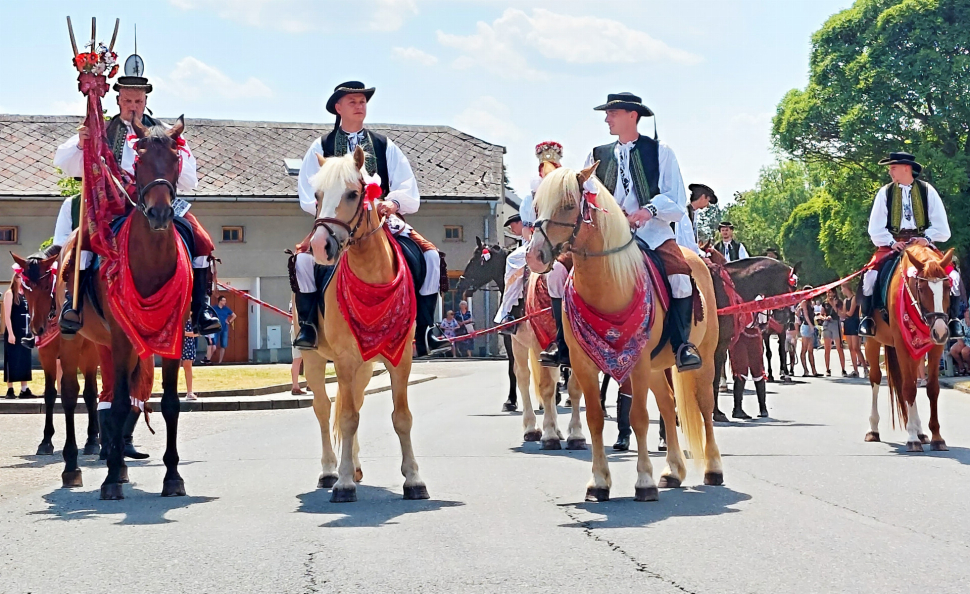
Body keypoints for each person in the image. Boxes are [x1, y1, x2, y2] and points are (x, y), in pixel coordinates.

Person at [52, 72, 222, 338]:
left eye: (138, 101)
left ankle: (201, 308)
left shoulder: (166, 132)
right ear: (118, 100)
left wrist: (173, 157)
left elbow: (191, 180)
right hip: (114, 204)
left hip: (159, 200)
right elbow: (63, 163)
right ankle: (73, 305)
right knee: (83, 238)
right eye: (128, 100)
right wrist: (81, 143)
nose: (133, 106)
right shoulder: (103, 130)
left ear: (145, 101)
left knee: (202, 238)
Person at [293, 81, 449, 356]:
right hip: (337, 223)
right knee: (303, 260)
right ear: (338, 107)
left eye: (363, 101)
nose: (360, 105)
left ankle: (426, 328)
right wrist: (330, 213)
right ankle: (308, 325)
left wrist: (392, 202)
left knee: (432, 256)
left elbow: (408, 187)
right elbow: (308, 193)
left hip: (382, 220)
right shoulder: (322, 145)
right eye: (352, 101)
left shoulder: (383, 145)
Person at [582, 91, 701, 374]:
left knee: (680, 277)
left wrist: (647, 211)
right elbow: (587, 194)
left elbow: (676, 198)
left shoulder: (661, 152)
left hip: (653, 232)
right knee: (561, 272)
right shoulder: (596, 155)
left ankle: (682, 345)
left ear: (632, 116)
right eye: (607, 114)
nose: (607, 119)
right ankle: (564, 344)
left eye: (613, 113)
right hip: (608, 237)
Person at [859, 152, 958, 337]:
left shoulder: (927, 190)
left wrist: (926, 239)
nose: (890, 172)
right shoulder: (885, 192)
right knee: (869, 277)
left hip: (923, 244)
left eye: (893, 167)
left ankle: (953, 321)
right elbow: (875, 228)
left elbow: (943, 228)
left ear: (907, 168)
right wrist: (891, 242)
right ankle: (868, 319)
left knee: (954, 277)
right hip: (892, 244)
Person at [730, 297, 769, 419]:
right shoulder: (737, 296)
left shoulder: (761, 299)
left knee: (758, 371)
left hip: (755, 335)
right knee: (741, 369)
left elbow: (765, 322)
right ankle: (737, 408)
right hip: (740, 336)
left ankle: (763, 407)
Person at [3, 272, 33, 399]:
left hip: (25, 331)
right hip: (14, 331)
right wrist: (10, 333)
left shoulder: (25, 294)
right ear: (15, 278)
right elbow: (7, 316)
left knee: (24, 360)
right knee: (12, 359)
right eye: (20, 277)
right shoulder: (10, 294)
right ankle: (10, 389)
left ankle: (24, 389)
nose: (22, 279)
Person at [675, 182, 717, 253]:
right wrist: (700, 255)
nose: (708, 205)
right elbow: (686, 242)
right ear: (703, 197)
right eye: (708, 201)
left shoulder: (692, 214)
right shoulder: (684, 214)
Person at [840, 282, 865, 377]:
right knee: (850, 348)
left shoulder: (854, 298)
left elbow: (850, 313)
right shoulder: (845, 300)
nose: (842, 290)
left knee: (856, 347)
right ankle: (855, 370)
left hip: (855, 323)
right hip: (848, 323)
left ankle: (865, 368)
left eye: (842, 288)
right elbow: (843, 314)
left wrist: (844, 313)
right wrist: (835, 307)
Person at [821, 290, 847, 376]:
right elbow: (822, 314)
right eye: (827, 292)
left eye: (830, 292)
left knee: (839, 347)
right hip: (827, 323)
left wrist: (833, 304)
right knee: (827, 348)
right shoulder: (824, 303)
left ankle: (843, 369)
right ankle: (827, 369)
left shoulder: (838, 302)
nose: (829, 294)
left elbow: (840, 314)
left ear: (834, 292)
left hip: (835, 323)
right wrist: (824, 317)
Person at [797, 286, 821, 377]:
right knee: (804, 349)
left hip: (811, 326)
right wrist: (811, 325)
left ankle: (814, 370)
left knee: (811, 350)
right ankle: (805, 370)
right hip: (806, 326)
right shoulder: (804, 302)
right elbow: (806, 315)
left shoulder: (811, 303)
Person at [212, 296, 236, 364]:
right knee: (213, 344)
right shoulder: (214, 308)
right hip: (215, 328)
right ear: (220, 301)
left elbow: (234, 315)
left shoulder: (226, 309)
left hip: (224, 328)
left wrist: (229, 321)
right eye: (224, 300)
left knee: (223, 345)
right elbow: (210, 315)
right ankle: (208, 359)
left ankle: (220, 361)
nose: (225, 302)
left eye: (225, 300)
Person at [180, 320, 198, 401]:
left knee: (187, 367)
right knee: (173, 368)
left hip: (188, 343)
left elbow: (198, 332)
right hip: (176, 342)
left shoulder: (194, 315)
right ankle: (172, 391)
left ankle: (189, 392)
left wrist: (184, 333)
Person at [948, 310, 970, 375]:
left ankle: (969, 367)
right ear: (964, 313)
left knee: (964, 351)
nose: (968, 313)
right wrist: (960, 342)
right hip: (964, 340)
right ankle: (962, 367)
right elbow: (959, 334)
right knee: (953, 350)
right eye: (967, 311)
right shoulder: (961, 322)